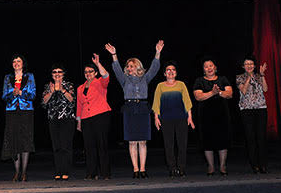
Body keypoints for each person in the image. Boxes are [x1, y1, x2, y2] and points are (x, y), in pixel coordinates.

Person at [105, 40, 163, 178]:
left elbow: (154, 68)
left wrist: (157, 52)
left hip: (142, 108)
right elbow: (116, 69)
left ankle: (143, 169)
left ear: (138, 66)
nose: (129, 68)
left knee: (142, 141)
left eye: (132, 66)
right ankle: (135, 169)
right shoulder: (124, 79)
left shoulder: (145, 78)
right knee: (132, 141)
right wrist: (114, 55)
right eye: (128, 66)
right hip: (130, 108)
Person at [152, 61, 194, 177]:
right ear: (164, 73)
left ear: (176, 73)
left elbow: (187, 101)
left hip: (181, 118)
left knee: (182, 144)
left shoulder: (181, 85)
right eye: (168, 70)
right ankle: (172, 168)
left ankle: (181, 168)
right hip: (166, 119)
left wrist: (190, 117)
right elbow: (156, 102)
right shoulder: (160, 86)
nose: (171, 71)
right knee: (168, 145)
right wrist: (156, 118)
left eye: (173, 69)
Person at [193, 58, 233, 176]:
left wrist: (219, 92)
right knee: (207, 141)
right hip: (205, 115)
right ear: (203, 70)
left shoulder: (223, 79)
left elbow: (229, 94)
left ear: (215, 68)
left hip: (222, 114)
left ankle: (222, 166)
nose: (209, 68)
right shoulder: (199, 81)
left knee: (223, 140)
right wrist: (212, 92)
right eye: (206, 66)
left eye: (211, 65)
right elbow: (198, 97)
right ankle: (210, 166)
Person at [76, 53, 112, 180]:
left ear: (95, 73)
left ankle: (105, 173)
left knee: (102, 144)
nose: (88, 74)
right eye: (86, 72)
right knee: (89, 146)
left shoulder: (100, 82)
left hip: (100, 116)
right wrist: (79, 122)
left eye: (91, 71)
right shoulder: (80, 88)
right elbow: (79, 106)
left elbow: (106, 75)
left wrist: (98, 63)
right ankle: (92, 172)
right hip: (86, 118)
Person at [1, 55, 36, 182]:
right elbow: (4, 96)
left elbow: (33, 94)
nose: (16, 63)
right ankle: (16, 172)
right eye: (14, 61)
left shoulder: (29, 76)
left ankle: (24, 172)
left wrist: (21, 93)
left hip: (26, 111)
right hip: (11, 112)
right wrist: (12, 94)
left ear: (23, 63)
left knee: (25, 141)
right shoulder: (7, 77)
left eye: (19, 61)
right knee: (14, 140)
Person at [41, 63, 76, 181]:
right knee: (56, 146)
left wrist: (62, 90)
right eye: (54, 72)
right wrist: (51, 92)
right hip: (53, 119)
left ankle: (66, 171)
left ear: (63, 74)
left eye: (59, 72)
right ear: (52, 74)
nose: (57, 74)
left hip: (67, 119)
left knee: (66, 146)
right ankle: (58, 171)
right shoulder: (48, 86)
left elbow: (72, 100)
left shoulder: (69, 85)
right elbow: (44, 103)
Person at [237, 55, 269, 174]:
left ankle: (263, 164)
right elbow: (244, 90)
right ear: (243, 66)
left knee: (261, 137)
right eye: (247, 64)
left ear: (255, 66)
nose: (249, 66)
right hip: (246, 110)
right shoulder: (239, 77)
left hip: (261, 108)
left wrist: (262, 75)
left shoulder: (259, 76)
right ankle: (254, 164)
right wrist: (249, 77)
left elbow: (265, 89)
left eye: (251, 64)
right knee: (250, 137)